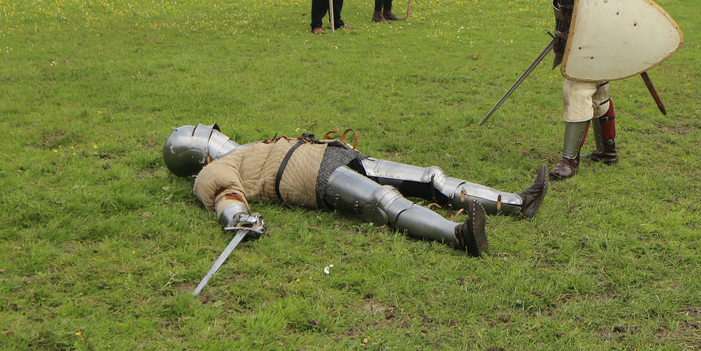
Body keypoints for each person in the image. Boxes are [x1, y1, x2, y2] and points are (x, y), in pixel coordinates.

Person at [163, 123, 549, 258]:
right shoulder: (214, 169)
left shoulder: (248, 147)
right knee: (385, 201)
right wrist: (240, 218)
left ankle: (519, 202)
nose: (218, 135)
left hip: (332, 156)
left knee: (431, 177)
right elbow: (225, 195)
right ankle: (460, 235)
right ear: (199, 153)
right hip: (311, 178)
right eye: (209, 135)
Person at [548, 0, 631, 180]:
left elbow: (620, 3)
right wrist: (561, 21)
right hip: (572, 33)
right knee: (598, 91)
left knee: (576, 91)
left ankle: (569, 161)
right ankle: (607, 151)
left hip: (597, 36)